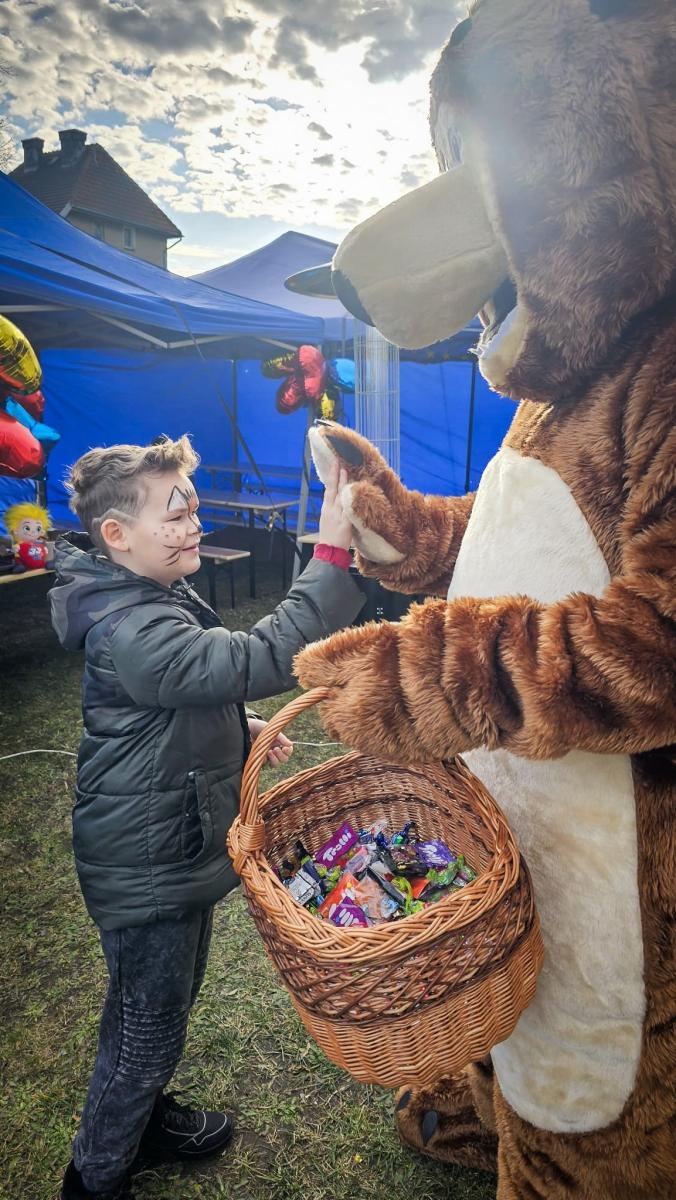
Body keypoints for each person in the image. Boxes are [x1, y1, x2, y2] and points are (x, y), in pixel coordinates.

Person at [49, 434, 364, 1200]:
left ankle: (142, 1122)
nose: (191, 525)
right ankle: (95, 1177)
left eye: (191, 508)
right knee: (145, 1029)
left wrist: (242, 727)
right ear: (117, 536)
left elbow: (189, 695)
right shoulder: (131, 626)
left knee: (162, 1007)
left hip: (171, 855)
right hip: (145, 868)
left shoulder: (146, 595)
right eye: (172, 514)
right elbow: (253, 656)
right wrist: (331, 551)